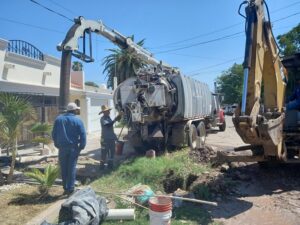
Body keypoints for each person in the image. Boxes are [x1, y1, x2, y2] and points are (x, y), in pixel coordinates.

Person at [52, 102, 86, 194]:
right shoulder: (78, 120)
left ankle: (65, 188)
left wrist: (56, 144)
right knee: (71, 168)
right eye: (76, 110)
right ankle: (70, 189)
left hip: (62, 148)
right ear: (74, 110)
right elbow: (83, 135)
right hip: (73, 148)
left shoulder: (59, 119)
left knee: (63, 168)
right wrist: (81, 146)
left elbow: (54, 134)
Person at [99, 105, 122, 169]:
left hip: (111, 138)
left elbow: (111, 128)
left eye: (109, 111)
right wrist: (115, 120)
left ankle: (110, 165)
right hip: (105, 139)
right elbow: (108, 125)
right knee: (104, 153)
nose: (109, 112)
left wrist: (119, 117)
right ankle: (102, 166)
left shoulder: (108, 118)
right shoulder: (103, 119)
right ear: (104, 112)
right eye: (107, 111)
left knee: (112, 152)